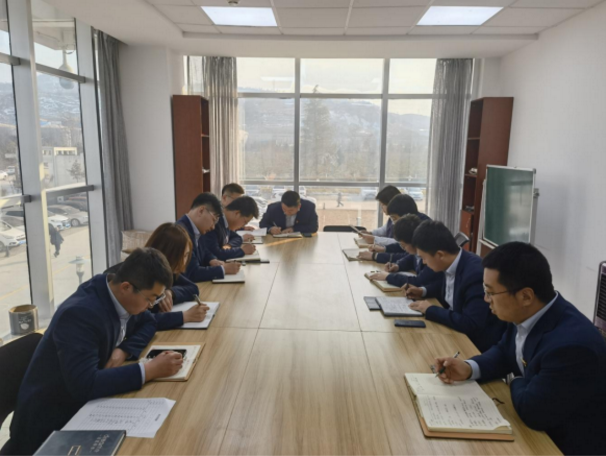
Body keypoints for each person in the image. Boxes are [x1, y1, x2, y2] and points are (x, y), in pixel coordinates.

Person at [7, 248, 184, 455]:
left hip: (81, 405)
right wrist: (149, 370)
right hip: (48, 427)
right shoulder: (80, 314)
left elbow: (148, 322)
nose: (151, 305)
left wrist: (123, 350)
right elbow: (85, 384)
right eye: (150, 298)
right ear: (126, 287)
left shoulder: (115, 293)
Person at [435, 242, 606, 456]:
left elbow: (532, 411)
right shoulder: (530, 312)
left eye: (490, 292)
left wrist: (514, 379)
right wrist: (470, 368)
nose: (486, 300)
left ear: (526, 296)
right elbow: (505, 351)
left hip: (561, 445)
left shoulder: (571, 347)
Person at [405, 220, 507, 352]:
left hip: (472, 345)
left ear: (440, 255)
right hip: (453, 331)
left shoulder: (474, 275)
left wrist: (431, 310)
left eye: (424, 258)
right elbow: (451, 290)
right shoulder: (451, 263)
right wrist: (423, 291)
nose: (424, 262)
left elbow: (471, 324)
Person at [105, 223, 209, 330]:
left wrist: (170, 292)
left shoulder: (164, 269)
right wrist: (184, 316)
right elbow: (138, 321)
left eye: (186, 255)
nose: (183, 262)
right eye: (181, 255)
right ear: (166, 252)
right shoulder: (137, 275)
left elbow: (192, 288)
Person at [176, 192, 241, 282]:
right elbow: (192, 273)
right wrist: (223, 269)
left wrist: (212, 259)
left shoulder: (196, 228)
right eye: (213, 220)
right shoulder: (181, 233)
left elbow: (204, 251)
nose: (213, 227)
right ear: (201, 211)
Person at [367, 214, 442, 289]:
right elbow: (410, 258)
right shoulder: (417, 252)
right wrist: (397, 266)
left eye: (403, 245)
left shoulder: (430, 256)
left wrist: (388, 277)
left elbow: (418, 282)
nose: (402, 248)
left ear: (413, 241)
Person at [358, 194, 429, 262]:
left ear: (405, 216)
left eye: (394, 219)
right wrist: (384, 249)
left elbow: (408, 256)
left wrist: (375, 256)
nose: (393, 223)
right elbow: (401, 246)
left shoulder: (420, 229)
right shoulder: (414, 222)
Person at [205, 195, 259, 261]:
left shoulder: (227, 223)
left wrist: (229, 245)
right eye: (245, 222)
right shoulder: (214, 223)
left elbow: (237, 237)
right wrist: (242, 251)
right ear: (237, 213)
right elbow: (217, 254)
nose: (243, 226)